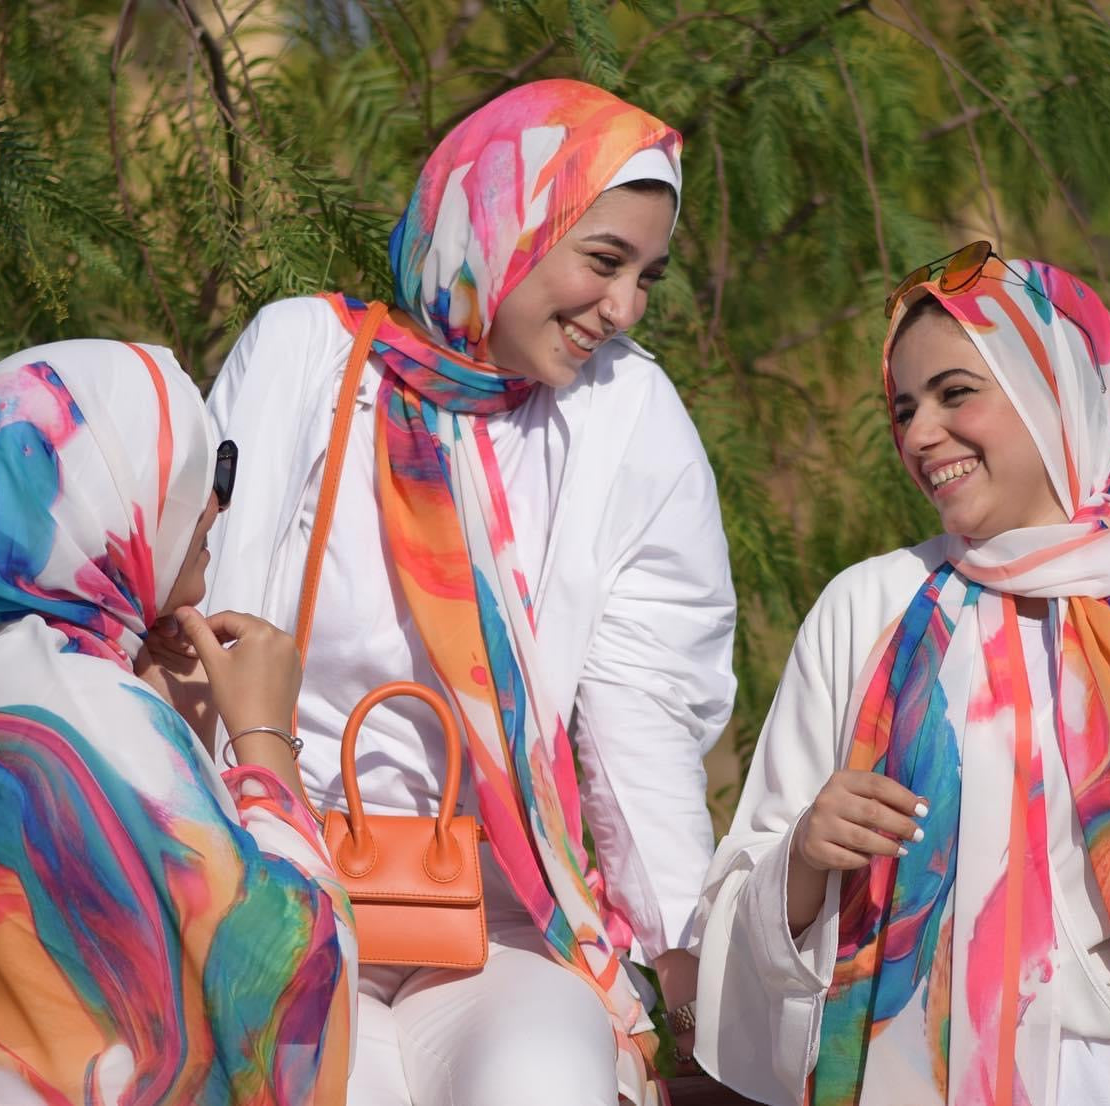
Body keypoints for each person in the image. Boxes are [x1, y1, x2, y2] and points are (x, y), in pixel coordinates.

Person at [692, 244, 1110, 1106]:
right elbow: (740, 914)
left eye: (955, 393)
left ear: (1054, 389)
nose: (919, 435)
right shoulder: (868, 609)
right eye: (904, 409)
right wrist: (807, 855)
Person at [200, 79, 735, 1106]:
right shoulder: (306, 358)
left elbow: (641, 720)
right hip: (281, 892)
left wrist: (687, 975)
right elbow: (200, 621)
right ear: (503, 224)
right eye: (604, 260)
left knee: (549, 1081)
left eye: (648, 276)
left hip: (505, 919)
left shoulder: (626, 411)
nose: (625, 307)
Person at [0, 340, 355, 1104]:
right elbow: (291, 988)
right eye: (192, 474)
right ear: (106, 506)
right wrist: (264, 742)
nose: (217, 502)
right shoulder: (97, 726)